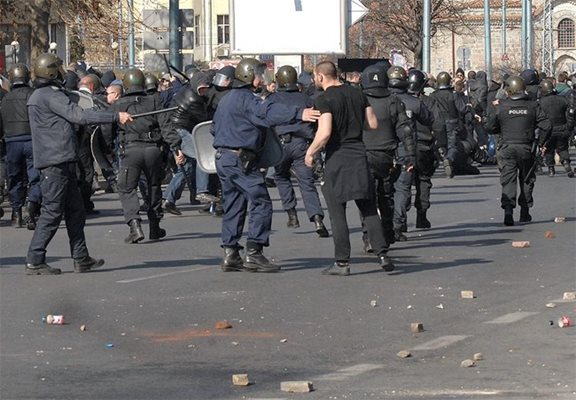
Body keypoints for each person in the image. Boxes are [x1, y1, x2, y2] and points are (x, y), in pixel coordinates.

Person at [25, 53, 132, 275]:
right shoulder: (50, 96)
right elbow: (79, 116)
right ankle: (35, 259)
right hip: (55, 162)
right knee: (52, 212)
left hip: (61, 160)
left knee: (76, 211)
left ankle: (81, 258)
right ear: (52, 71)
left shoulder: (45, 94)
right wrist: (114, 116)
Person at [212, 58, 320, 273]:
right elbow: (268, 112)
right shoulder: (246, 99)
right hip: (240, 160)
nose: (261, 79)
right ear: (248, 75)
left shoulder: (227, 99)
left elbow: (214, 129)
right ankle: (254, 252)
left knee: (234, 204)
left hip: (224, 158)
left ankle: (231, 253)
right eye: (259, 74)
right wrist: (299, 114)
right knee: (261, 202)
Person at [305, 61, 395, 276]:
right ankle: (382, 254)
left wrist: (310, 152)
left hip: (338, 157)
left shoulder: (324, 99)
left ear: (320, 77)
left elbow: (325, 132)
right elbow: (372, 124)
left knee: (338, 213)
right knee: (368, 207)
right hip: (359, 154)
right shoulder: (358, 93)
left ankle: (342, 262)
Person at [105, 68, 184, 243]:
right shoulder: (155, 101)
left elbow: (107, 132)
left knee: (127, 188)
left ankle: (135, 225)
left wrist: (108, 153)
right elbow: (166, 127)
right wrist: (176, 148)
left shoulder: (118, 105)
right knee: (154, 186)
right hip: (153, 150)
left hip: (130, 150)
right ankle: (154, 227)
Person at [267, 65, 328, 237]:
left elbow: (267, 121)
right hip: (302, 144)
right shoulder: (306, 99)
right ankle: (317, 218)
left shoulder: (272, 99)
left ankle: (291, 213)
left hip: (280, 145)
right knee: (307, 182)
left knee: (281, 177)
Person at [484, 75, 552, 226]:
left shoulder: (501, 106)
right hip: (527, 146)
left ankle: (508, 210)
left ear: (508, 91)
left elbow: (489, 127)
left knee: (508, 179)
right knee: (527, 178)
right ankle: (525, 211)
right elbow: (547, 126)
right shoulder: (533, 105)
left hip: (507, 147)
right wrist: (541, 143)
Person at [359, 62, 414, 247]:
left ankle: (369, 237)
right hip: (386, 154)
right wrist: (409, 156)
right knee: (386, 195)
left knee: (367, 198)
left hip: (363, 153)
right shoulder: (393, 101)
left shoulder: (359, 100)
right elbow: (405, 130)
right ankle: (388, 233)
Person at [162, 72, 213, 215]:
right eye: (202, 88)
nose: (204, 91)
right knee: (201, 157)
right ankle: (202, 190)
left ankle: (168, 199)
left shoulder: (186, 90)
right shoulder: (193, 99)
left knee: (187, 166)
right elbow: (202, 118)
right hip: (181, 130)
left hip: (176, 129)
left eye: (206, 88)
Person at [0, 63, 41, 229]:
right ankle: (32, 205)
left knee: (15, 177)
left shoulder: (5, 98)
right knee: (35, 176)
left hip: (11, 141)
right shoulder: (34, 95)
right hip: (32, 140)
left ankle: (16, 213)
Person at [429, 71, 468, 178]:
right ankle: (448, 159)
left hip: (437, 123)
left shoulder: (433, 96)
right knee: (452, 145)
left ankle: (443, 156)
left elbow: (429, 110)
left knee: (440, 143)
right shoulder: (453, 95)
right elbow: (462, 108)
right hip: (452, 122)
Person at [538, 79, 575, 177]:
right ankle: (566, 163)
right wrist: (568, 127)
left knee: (549, 150)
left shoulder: (541, 102)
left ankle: (551, 169)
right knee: (562, 148)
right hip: (562, 127)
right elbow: (569, 113)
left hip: (548, 130)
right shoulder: (562, 99)